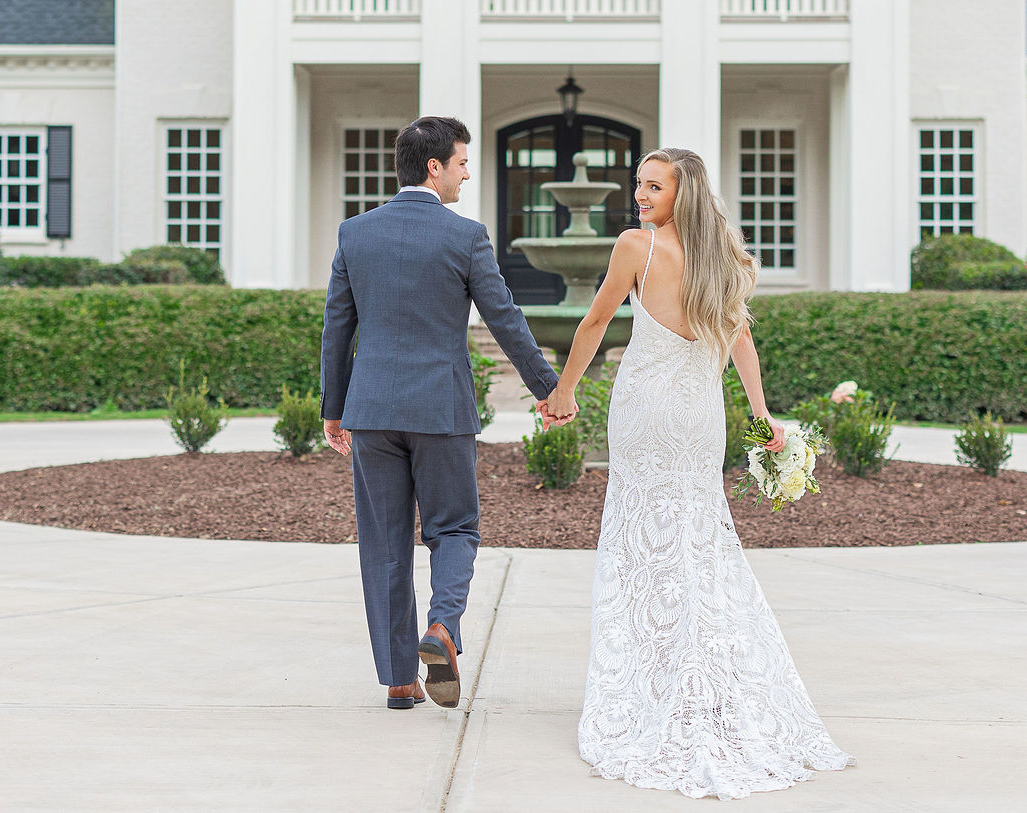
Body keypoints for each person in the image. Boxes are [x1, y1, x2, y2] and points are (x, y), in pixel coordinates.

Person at [544, 147, 853, 798]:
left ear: (682, 194)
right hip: (697, 417)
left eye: (653, 186)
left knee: (639, 542)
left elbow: (597, 319)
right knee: (699, 542)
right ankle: (704, 677)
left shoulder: (638, 246)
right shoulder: (726, 262)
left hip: (646, 411)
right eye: (638, 185)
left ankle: (653, 681)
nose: (640, 195)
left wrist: (563, 393)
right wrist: (766, 418)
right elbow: (740, 341)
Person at [319, 115, 564, 711]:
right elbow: (504, 317)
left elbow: (337, 327)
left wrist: (334, 407)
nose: (465, 175)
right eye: (460, 163)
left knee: (384, 541)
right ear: (433, 167)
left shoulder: (356, 233)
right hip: (441, 408)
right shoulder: (466, 236)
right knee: (454, 528)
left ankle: (400, 680)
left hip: (371, 408)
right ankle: (443, 628)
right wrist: (548, 388)